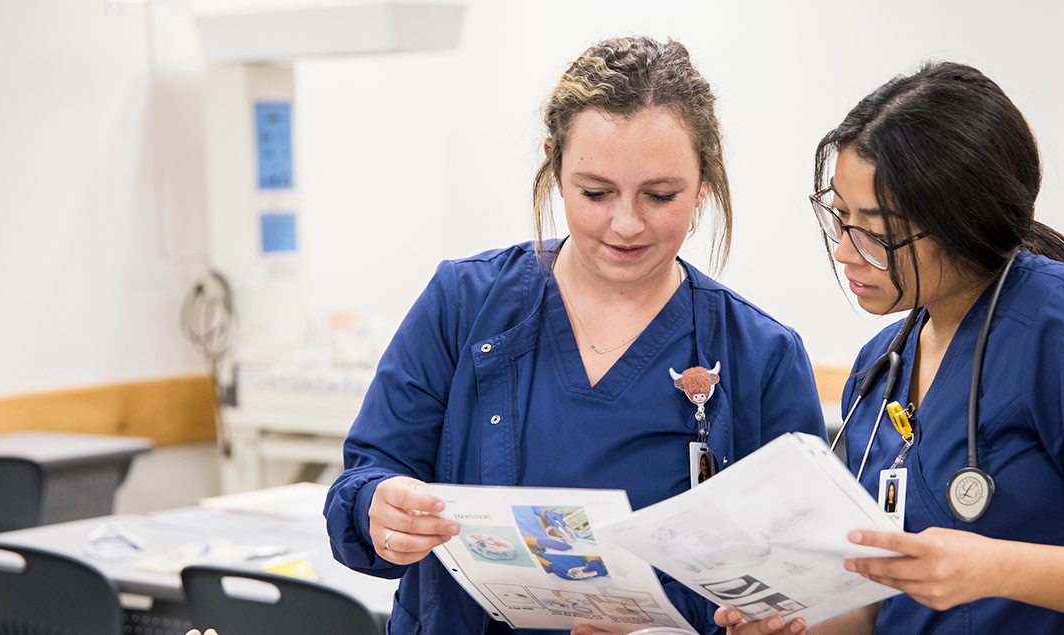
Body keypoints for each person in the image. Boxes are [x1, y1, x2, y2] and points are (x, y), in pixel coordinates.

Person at [324, 35, 828, 635]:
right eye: (595, 193)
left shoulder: (761, 357)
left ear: (705, 179)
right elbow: (363, 481)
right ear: (554, 166)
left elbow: (804, 583)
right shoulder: (463, 306)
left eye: (660, 195)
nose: (626, 223)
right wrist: (377, 508)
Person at [717, 61, 1064, 635]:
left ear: (961, 219)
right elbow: (878, 603)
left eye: (874, 227)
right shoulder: (878, 370)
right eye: (840, 217)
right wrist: (790, 624)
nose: (844, 251)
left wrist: (993, 568)